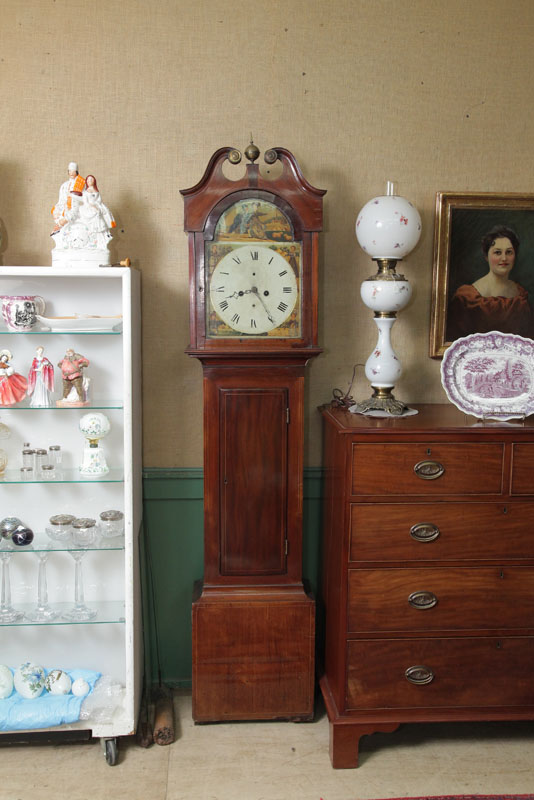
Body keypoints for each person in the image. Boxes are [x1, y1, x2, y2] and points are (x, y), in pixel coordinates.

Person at [447, 225, 533, 341]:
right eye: (497, 253)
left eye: (509, 252)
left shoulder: (521, 295)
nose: (504, 258)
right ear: (486, 256)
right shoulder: (466, 297)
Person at [79, 175, 116, 248]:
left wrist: (97, 205)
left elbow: (99, 200)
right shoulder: (85, 192)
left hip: (97, 205)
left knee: (105, 211)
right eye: (88, 180)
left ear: (94, 181)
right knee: (96, 213)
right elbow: (86, 202)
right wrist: (93, 206)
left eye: (91, 180)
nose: (89, 181)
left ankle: (105, 233)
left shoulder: (96, 191)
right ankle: (99, 232)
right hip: (89, 207)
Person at [51, 162, 85, 236]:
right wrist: (57, 209)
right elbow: (61, 200)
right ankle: (60, 229)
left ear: (76, 172)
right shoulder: (64, 185)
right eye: (70, 171)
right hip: (65, 207)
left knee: (69, 216)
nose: (71, 173)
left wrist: (74, 197)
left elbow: (85, 199)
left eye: (73, 171)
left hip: (76, 208)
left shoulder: (81, 184)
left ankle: (57, 228)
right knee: (55, 212)